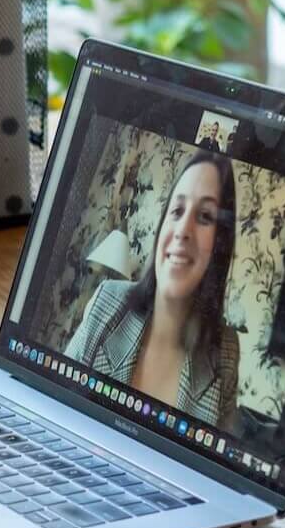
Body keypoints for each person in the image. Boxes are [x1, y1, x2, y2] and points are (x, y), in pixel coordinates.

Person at [65, 149, 242, 429]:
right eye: (177, 210)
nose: (183, 230)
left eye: (205, 216)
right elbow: (53, 401)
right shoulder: (106, 302)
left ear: (220, 244)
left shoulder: (226, 352)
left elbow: (213, 465)